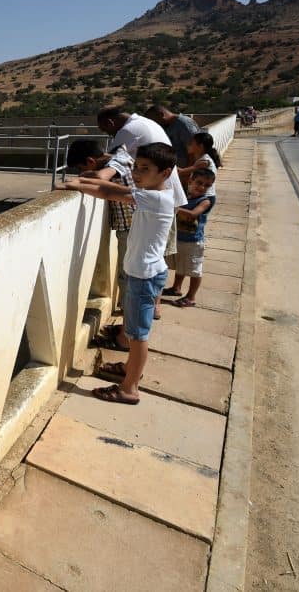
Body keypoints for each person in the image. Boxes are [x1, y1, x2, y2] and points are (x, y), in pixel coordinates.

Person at [57, 143, 178, 404]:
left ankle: (129, 388)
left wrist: (74, 185)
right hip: (145, 273)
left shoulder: (156, 198)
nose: (137, 173)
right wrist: (80, 183)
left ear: (165, 173)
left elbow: (108, 190)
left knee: (138, 336)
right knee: (135, 333)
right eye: (136, 167)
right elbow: (117, 189)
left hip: (144, 276)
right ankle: (129, 370)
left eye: (145, 169)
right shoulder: (155, 193)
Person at [97, 106, 187, 319]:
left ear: (110, 123)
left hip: (154, 198)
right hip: (167, 196)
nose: (109, 135)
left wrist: (84, 177)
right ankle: (152, 307)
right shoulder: (145, 123)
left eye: (106, 131)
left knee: (145, 261)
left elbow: (110, 166)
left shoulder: (127, 132)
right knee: (159, 254)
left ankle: (137, 316)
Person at [66, 140, 135, 311]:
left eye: (82, 168)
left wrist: (79, 180)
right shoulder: (121, 154)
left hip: (129, 228)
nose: (81, 173)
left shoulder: (115, 163)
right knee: (130, 274)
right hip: (132, 225)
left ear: (90, 162)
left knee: (127, 275)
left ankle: (128, 323)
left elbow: (100, 178)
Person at [164, 169, 216, 307]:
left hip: (194, 242)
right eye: (199, 183)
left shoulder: (205, 201)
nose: (202, 187)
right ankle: (176, 288)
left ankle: (191, 297)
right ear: (190, 180)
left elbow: (193, 214)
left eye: (207, 185)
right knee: (181, 266)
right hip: (179, 238)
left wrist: (173, 207)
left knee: (194, 270)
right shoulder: (184, 196)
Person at [175, 132, 222, 203]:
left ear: (200, 147)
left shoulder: (204, 162)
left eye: (191, 143)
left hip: (205, 197)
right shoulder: (201, 159)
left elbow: (181, 172)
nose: (188, 145)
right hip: (201, 195)